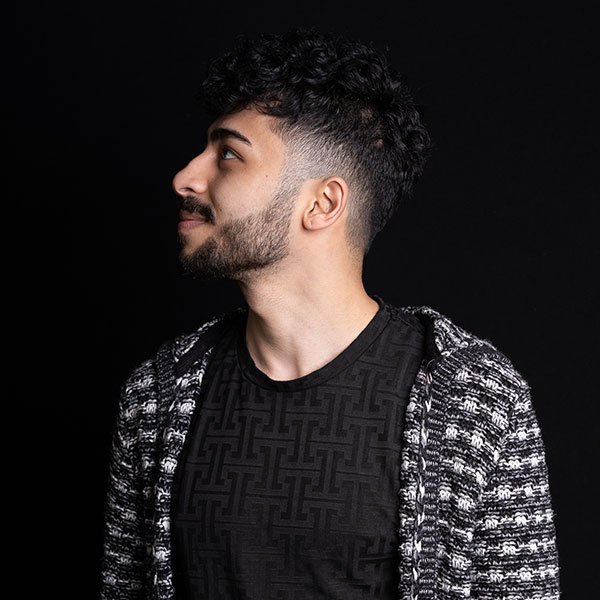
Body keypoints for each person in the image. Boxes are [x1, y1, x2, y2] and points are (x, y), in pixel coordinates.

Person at [100, 26, 561, 600]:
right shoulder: (158, 393)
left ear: (322, 203)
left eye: (228, 155)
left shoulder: (477, 399)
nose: (185, 177)